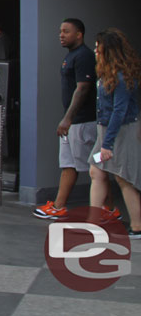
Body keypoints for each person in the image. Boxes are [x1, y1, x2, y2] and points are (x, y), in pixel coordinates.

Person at [34, 18, 101, 220]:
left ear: (79, 34)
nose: (61, 35)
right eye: (60, 31)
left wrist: (67, 119)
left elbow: (83, 88)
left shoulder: (84, 56)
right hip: (72, 122)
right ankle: (59, 206)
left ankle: (107, 209)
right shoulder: (71, 56)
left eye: (66, 31)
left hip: (82, 122)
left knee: (95, 169)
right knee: (68, 164)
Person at [88, 29, 141, 239]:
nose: (95, 50)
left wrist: (107, 144)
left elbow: (120, 111)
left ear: (107, 50)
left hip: (118, 133)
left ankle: (137, 226)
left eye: (98, 47)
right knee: (96, 171)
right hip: (106, 131)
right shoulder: (107, 73)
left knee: (123, 178)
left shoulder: (120, 76)